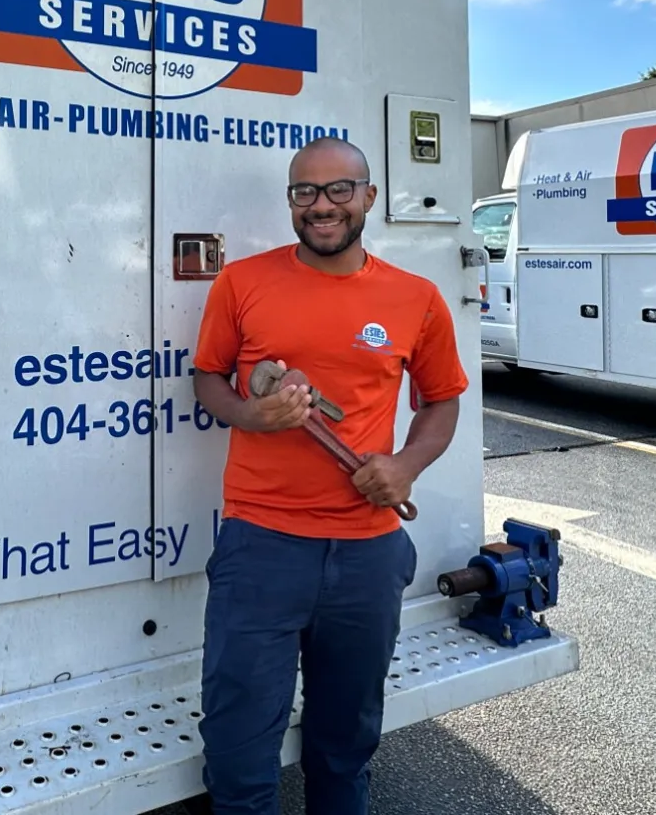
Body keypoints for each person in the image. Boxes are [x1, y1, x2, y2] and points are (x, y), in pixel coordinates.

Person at [190, 135, 469, 814]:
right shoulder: (243, 282)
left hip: (367, 554)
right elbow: (208, 380)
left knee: (344, 748)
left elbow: (442, 400)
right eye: (305, 192)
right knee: (237, 752)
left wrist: (404, 466)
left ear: (368, 197)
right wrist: (255, 416)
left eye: (339, 190)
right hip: (261, 547)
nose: (322, 206)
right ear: (291, 202)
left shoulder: (416, 298)